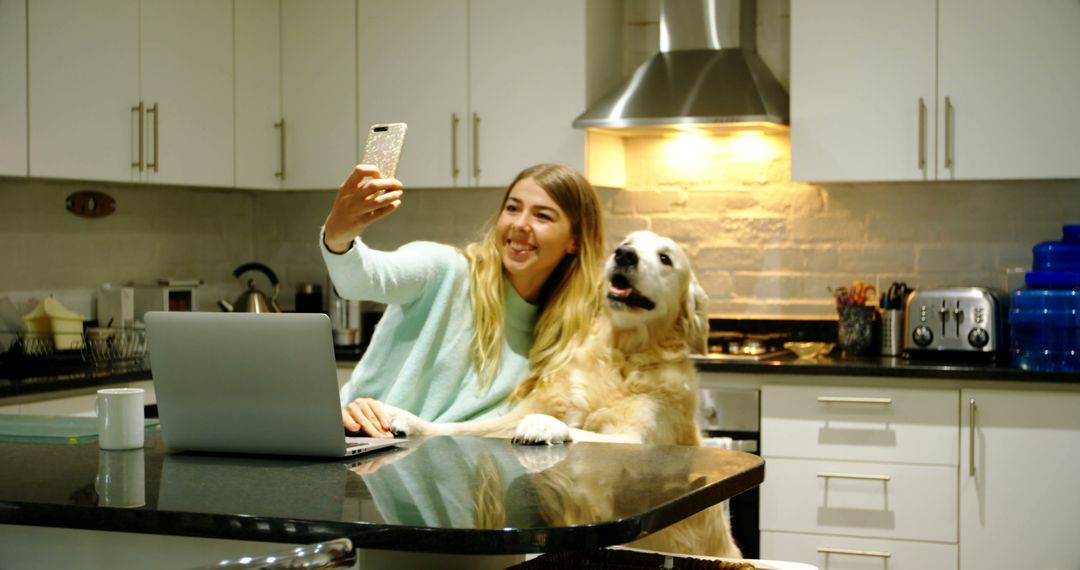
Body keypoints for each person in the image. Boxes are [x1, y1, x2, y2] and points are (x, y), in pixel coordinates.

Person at [321, 163, 605, 437]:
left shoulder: (566, 338)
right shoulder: (444, 269)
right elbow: (357, 279)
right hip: (361, 448)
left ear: (575, 241)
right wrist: (338, 236)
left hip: (453, 476)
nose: (520, 224)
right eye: (512, 208)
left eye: (542, 216)